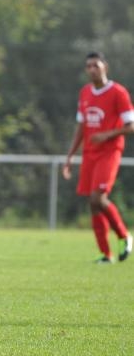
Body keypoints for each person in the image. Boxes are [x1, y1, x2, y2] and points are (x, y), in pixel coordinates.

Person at [63, 52, 134, 263]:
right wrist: (69, 157)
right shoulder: (85, 92)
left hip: (109, 152)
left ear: (105, 66)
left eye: (96, 65)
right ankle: (105, 254)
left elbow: (130, 126)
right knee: (93, 204)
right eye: (89, 66)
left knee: (98, 198)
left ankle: (124, 236)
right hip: (90, 154)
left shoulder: (118, 92)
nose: (92, 69)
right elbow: (81, 127)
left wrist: (107, 134)